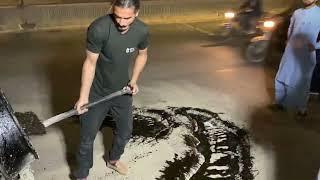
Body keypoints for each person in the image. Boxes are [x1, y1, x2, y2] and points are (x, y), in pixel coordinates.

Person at [73, 0, 149, 179]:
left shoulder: (142, 30)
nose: (121, 23)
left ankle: (113, 160)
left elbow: (143, 55)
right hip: (97, 92)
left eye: (127, 18)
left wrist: (134, 80)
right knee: (87, 138)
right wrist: (84, 97)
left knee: (125, 132)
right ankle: (81, 175)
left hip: (122, 91)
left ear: (136, 13)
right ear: (112, 11)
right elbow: (90, 63)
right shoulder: (99, 29)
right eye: (117, 16)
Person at [272, 0, 320, 116]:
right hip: (290, 51)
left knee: (302, 81)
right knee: (281, 76)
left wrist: (316, 46)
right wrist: (288, 41)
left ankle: (302, 109)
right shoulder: (297, 13)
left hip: (306, 54)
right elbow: (291, 29)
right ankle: (280, 103)